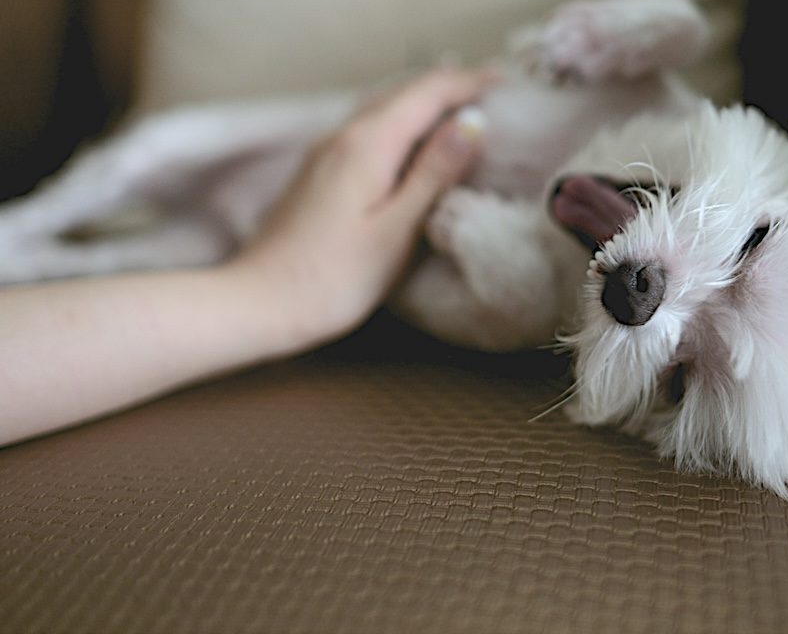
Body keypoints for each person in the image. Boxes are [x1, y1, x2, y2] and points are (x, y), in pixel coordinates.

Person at [0, 68, 492, 448]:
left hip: (237, 244)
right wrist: (272, 294)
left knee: (116, 237)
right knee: (149, 160)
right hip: (268, 240)